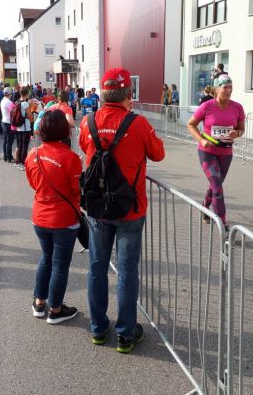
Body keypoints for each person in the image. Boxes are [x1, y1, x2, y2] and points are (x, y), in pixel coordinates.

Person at [79, 67, 165, 353]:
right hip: (130, 209)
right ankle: (126, 334)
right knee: (127, 271)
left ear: (103, 94)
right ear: (128, 93)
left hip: (98, 209)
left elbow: (84, 145)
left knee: (97, 268)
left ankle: (98, 328)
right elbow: (158, 153)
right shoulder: (138, 123)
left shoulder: (88, 121)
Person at [25, 110, 82, 324]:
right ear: (64, 130)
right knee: (59, 265)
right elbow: (76, 190)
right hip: (64, 219)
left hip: (40, 216)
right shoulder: (70, 157)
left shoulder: (32, 154)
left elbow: (33, 183)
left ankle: (39, 303)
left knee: (46, 258)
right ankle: (56, 310)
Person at [187, 74, 245, 231]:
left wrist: (236, 133)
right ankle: (223, 225)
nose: (229, 90)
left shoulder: (237, 107)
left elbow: (241, 129)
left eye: (231, 87)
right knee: (217, 187)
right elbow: (191, 125)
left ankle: (205, 206)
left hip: (226, 153)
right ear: (217, 88)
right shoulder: (207, 106)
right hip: (207, 152)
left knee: (215, 185)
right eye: (225, 87)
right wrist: (201, 140)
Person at [14, 87, 35, 171]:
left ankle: (18, 162)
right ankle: (22, 164)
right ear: (27, 94)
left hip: (19, 127)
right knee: (24, 147)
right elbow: (30, 117)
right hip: (25, 128)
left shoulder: (17, 101)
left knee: (20, 146)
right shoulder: (25, 103)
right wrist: (31, 108)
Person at [0, 87, 15, 162]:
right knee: (9, 141)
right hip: (9, 123)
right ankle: (9, 157)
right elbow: (13, 112)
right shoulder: (9, 102)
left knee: (5, 141)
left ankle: (5, 156)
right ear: (10, 94)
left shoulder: (3, 100)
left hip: (4, 121)